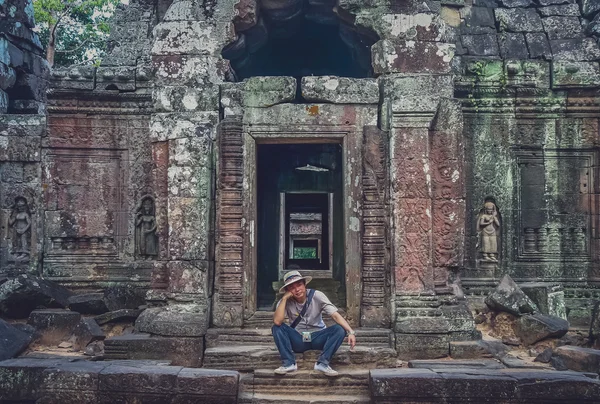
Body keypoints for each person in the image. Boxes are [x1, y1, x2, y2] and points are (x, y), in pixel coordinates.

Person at [272, 270, 356, 377]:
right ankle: (289, 363)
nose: (297, 289)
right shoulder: (285, 301)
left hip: (318, 337)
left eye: (299, 285)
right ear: (287, 290)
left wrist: (351, 332)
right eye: (292, 287)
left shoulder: (317, 295)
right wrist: (284, 298)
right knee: (277, 328)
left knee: (340, 329)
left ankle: (323, 363)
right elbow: (277, 321)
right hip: (299, 339)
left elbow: (335, 315)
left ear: (304, 284)